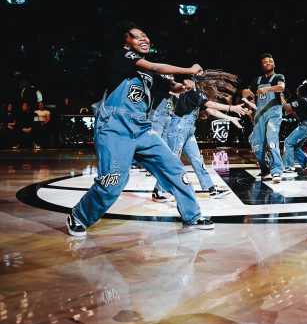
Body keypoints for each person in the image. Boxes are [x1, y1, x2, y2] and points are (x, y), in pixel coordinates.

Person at [66, 22, 214, 237]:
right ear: (126, 43)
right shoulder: (122, 57)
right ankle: (79, 216)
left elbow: (172, 86)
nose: (144, 39)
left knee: (174, 169)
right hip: (115, 128)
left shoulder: (150, 74)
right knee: (113, 180)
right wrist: (189, 70)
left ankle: (192, 215)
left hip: (143, 129)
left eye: (145, 36)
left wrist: (186, 85)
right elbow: (155, 67)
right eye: (137, 36)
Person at [153, 74, 248, 202]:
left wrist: (230, 118)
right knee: (172, 161)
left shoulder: (196, 92)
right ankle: (158, 191)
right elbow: (210, 104)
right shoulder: (190, 92)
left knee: (197, 160)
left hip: (188, 130)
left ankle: (210, 188)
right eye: (190, 79)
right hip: (178, 128)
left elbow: (210, 110)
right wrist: (231, 108)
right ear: (186, 80)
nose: (193, 81)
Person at [242, 54, 286, 183]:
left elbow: (281, 87)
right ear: (262, 65)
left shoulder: (278, 77)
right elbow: (247, 93)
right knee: (256, 145)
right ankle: (265, 169)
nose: (268, 63)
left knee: (272, 140)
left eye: (270, 61)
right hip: (260, 114)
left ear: (274, 64)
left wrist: (267, 89)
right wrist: (246, 95)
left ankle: (277, 170)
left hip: (274, 112)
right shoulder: (257, 80)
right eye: (265, 62)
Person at [282, 81, 307, 174]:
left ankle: (288, 166)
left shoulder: (301, 100)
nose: (296, 91)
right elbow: (292, 112)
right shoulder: (303, 101)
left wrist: (281, 97)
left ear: (300, 91)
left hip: (306, 125)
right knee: (295, 147)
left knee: (288, 142)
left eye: (297, 90)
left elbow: (287, 107)